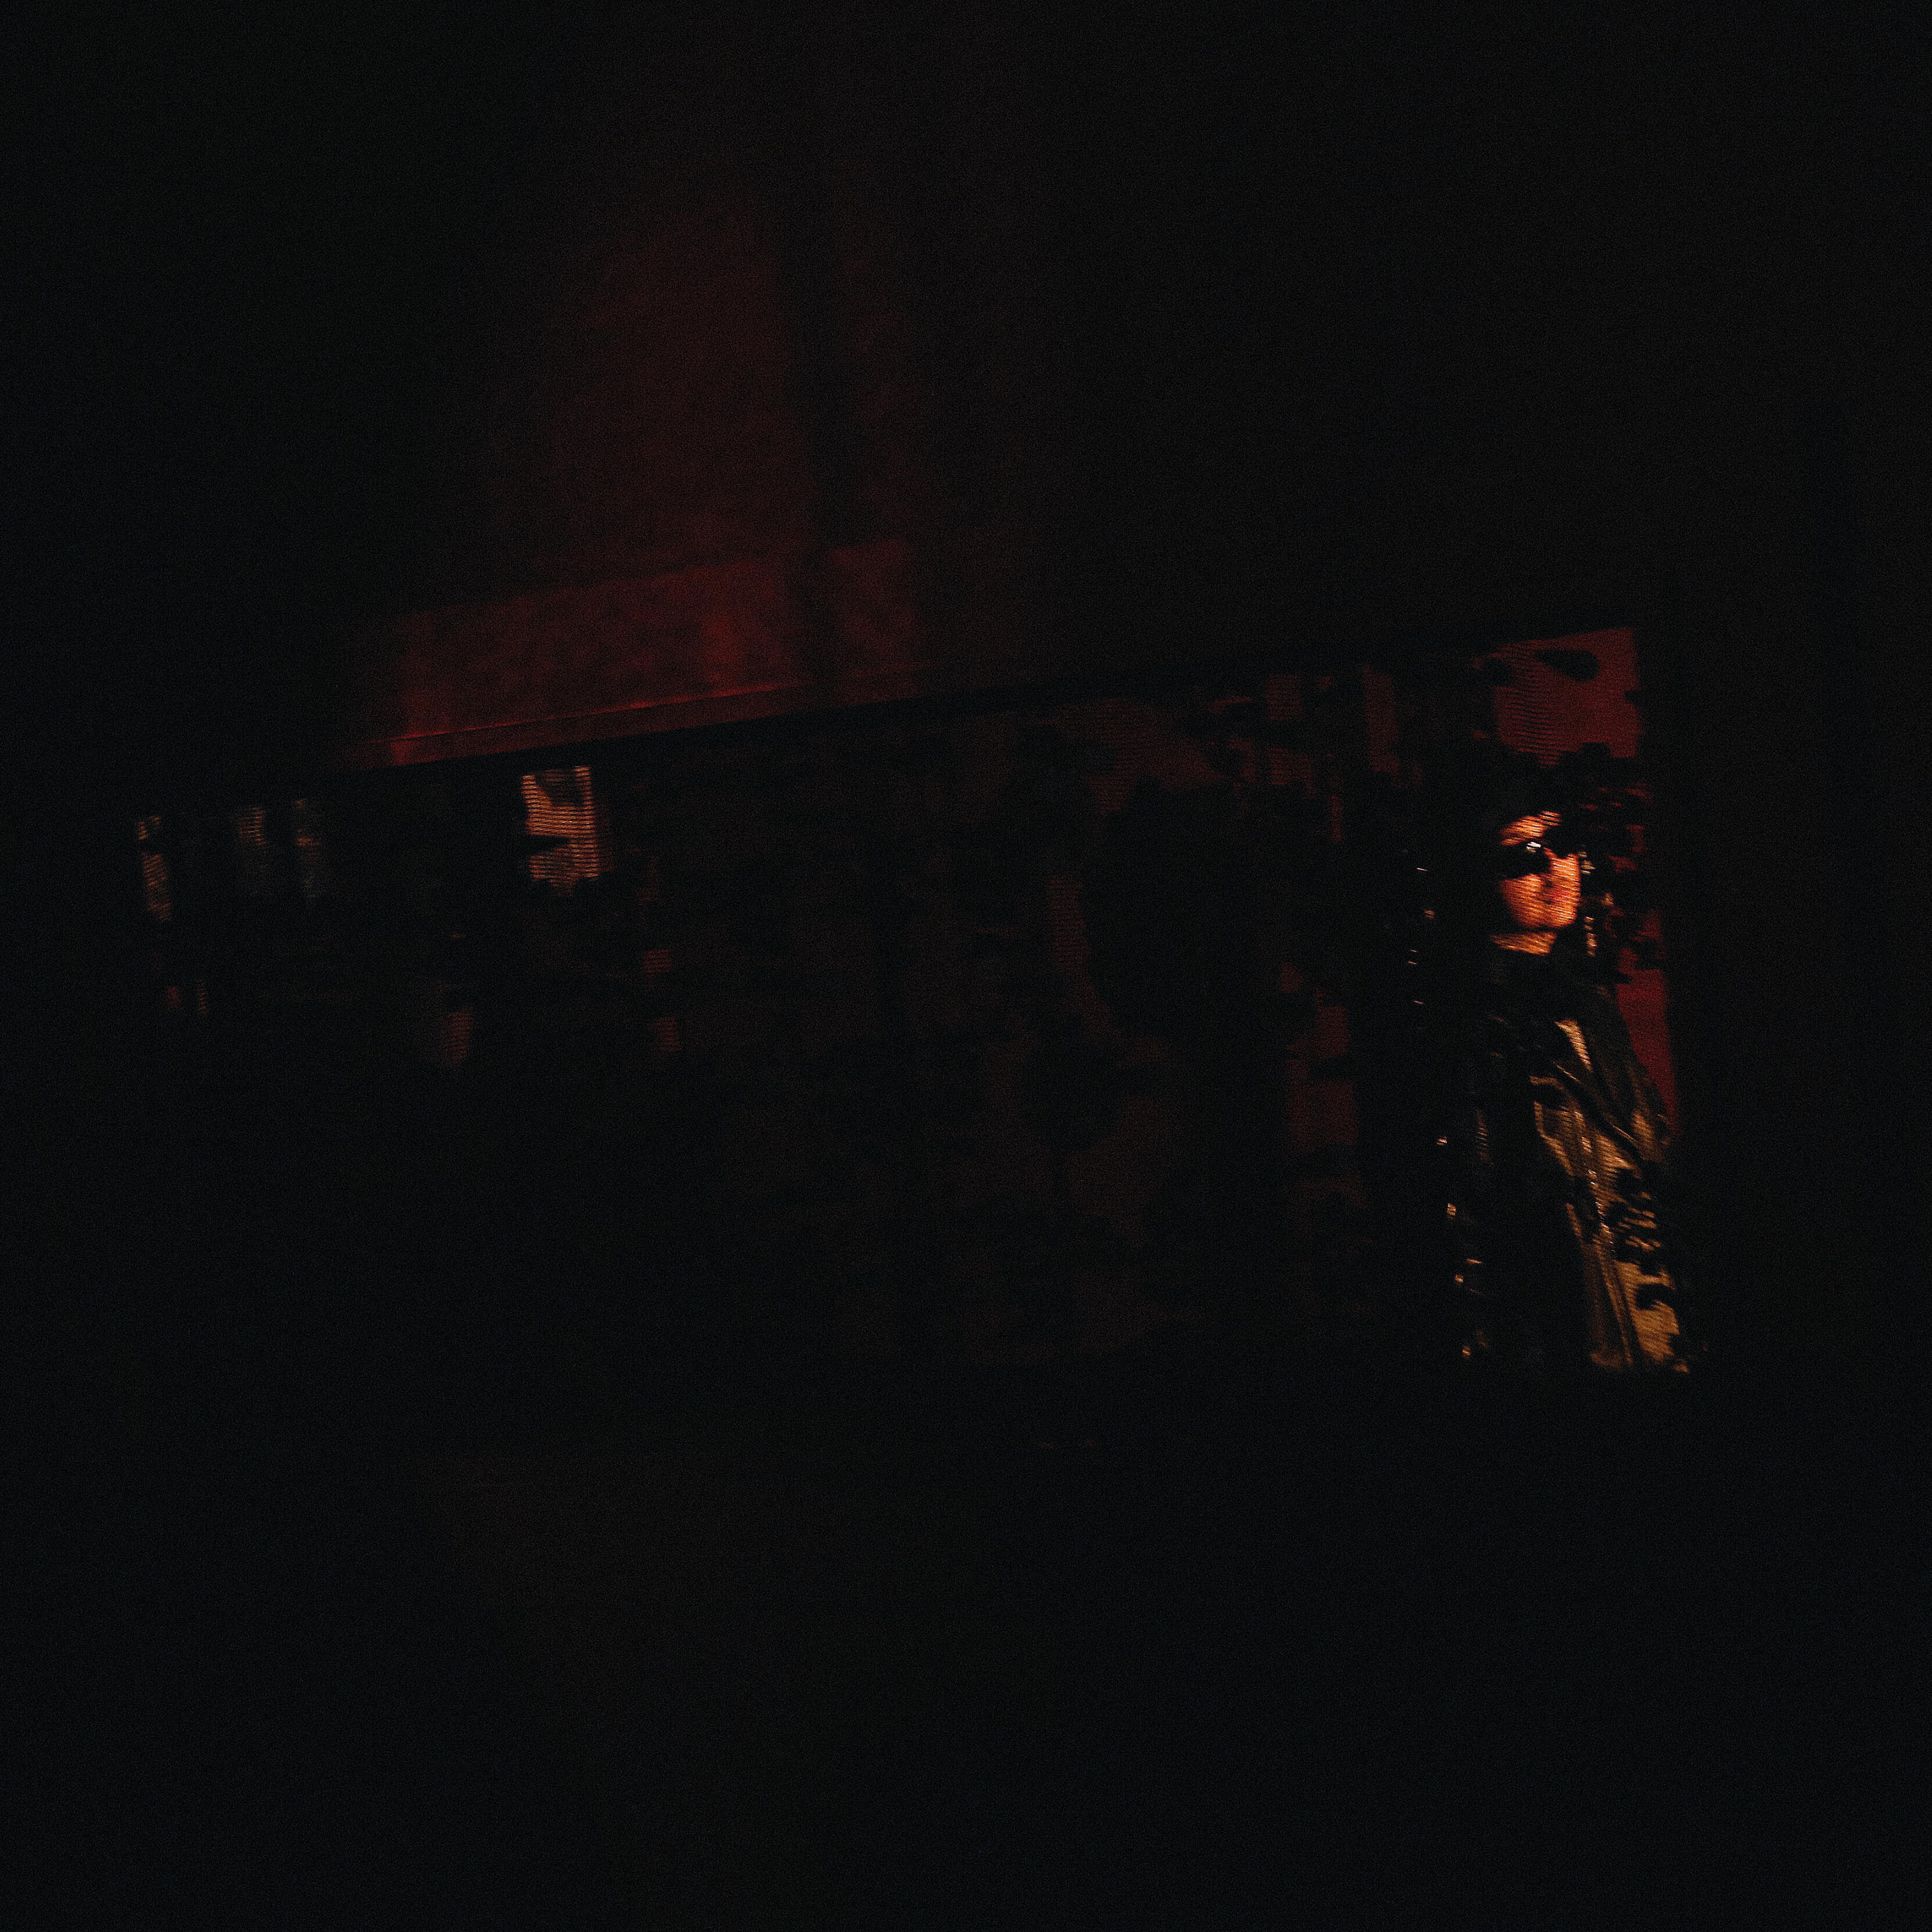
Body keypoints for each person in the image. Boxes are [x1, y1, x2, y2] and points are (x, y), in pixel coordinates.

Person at [1429, 747, 1698, 1383]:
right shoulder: (1474, 1029)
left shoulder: (1586, 1004)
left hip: (1651, 1330)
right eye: (1522, 854)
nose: (1554, 867)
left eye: (1563, 842)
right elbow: (1471, 1215)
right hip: (1561, 1356)